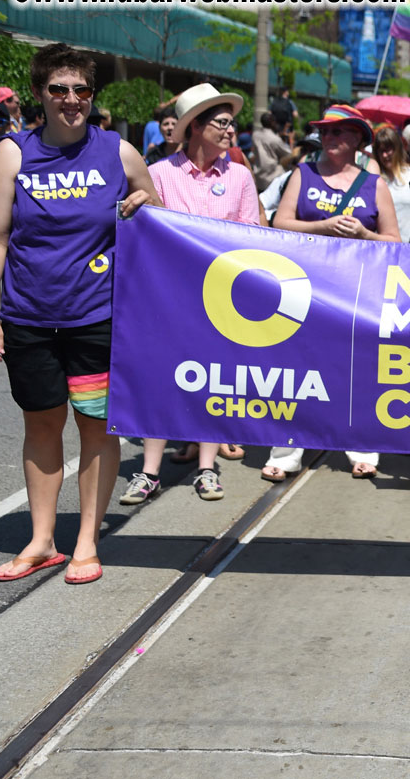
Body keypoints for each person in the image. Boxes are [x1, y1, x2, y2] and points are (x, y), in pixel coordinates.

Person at [0, 43, 159, 585]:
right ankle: (42, 540)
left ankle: (86, 540)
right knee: (40, 423)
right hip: (29, 317)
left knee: (94, 426)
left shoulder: (119, 152)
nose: (71, 100)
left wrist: (144, 202)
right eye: (59, 89)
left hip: (97, 317)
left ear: (92, 95)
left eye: (81, 90)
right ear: (39, 93)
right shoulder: (12, 155)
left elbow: (154, 209)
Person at [121, 84, 263, 505]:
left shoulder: (239, 175)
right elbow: (145, 229)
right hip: (169, 296)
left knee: (212, 377)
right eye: (221, 123)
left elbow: (251, 235)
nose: (229, 131)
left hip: (221, 298)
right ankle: (149, 472)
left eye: (231, 123)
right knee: (160, 377)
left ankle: (207, 468)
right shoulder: (160, 172)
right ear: (195, 127)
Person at [267, 104, 400, 481]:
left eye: (339, 131)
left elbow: (393, 240)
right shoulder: (302, 173)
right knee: (294, 367)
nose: (330, 138)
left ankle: (361, 447)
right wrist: (325, 225)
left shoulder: (375, 185)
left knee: (356, 370)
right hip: (302, 290)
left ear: (359, 139)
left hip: (356, 294)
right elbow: (281, 224)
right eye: (325, 132)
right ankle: (287, 449)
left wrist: (364, 235)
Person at [372, 123, 410, 243]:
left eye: (388, 150)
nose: (385, 155)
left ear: (397, 148)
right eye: (381, 151)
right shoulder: (375, 180)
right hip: (385, 247)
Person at [253, 111, 291, 192]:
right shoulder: (275, 139)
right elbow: (288, 153)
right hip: (272, 177)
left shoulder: (255, 135)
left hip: (258, 177)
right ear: (272, 123)